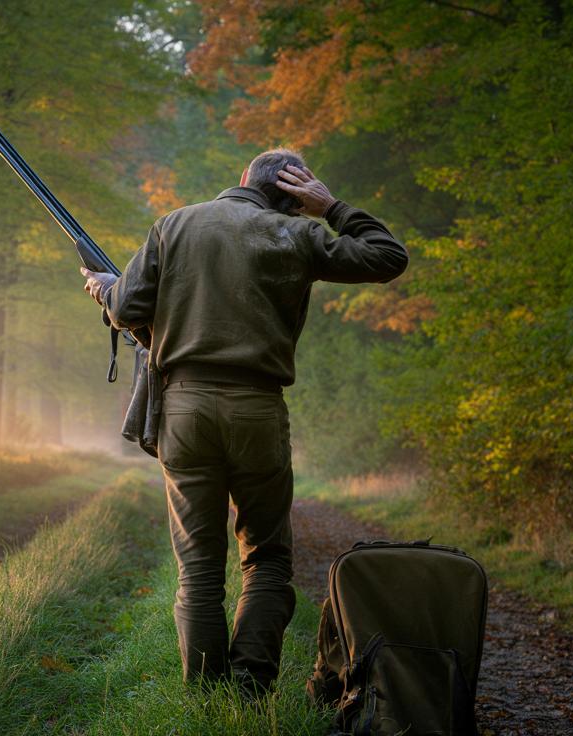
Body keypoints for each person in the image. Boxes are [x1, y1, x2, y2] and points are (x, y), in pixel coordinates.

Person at [80, 150, 408, 697]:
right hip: (258, 408)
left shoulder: (174, 224)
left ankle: (207, 702)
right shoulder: (297, 234)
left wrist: (105, 288)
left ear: (241, 181)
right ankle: (250, 692)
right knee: (268, 559)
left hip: (183, 409)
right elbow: (387, 256)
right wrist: (332, 207)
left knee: (199, 570)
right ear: (295, 197)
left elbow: (127, 307)